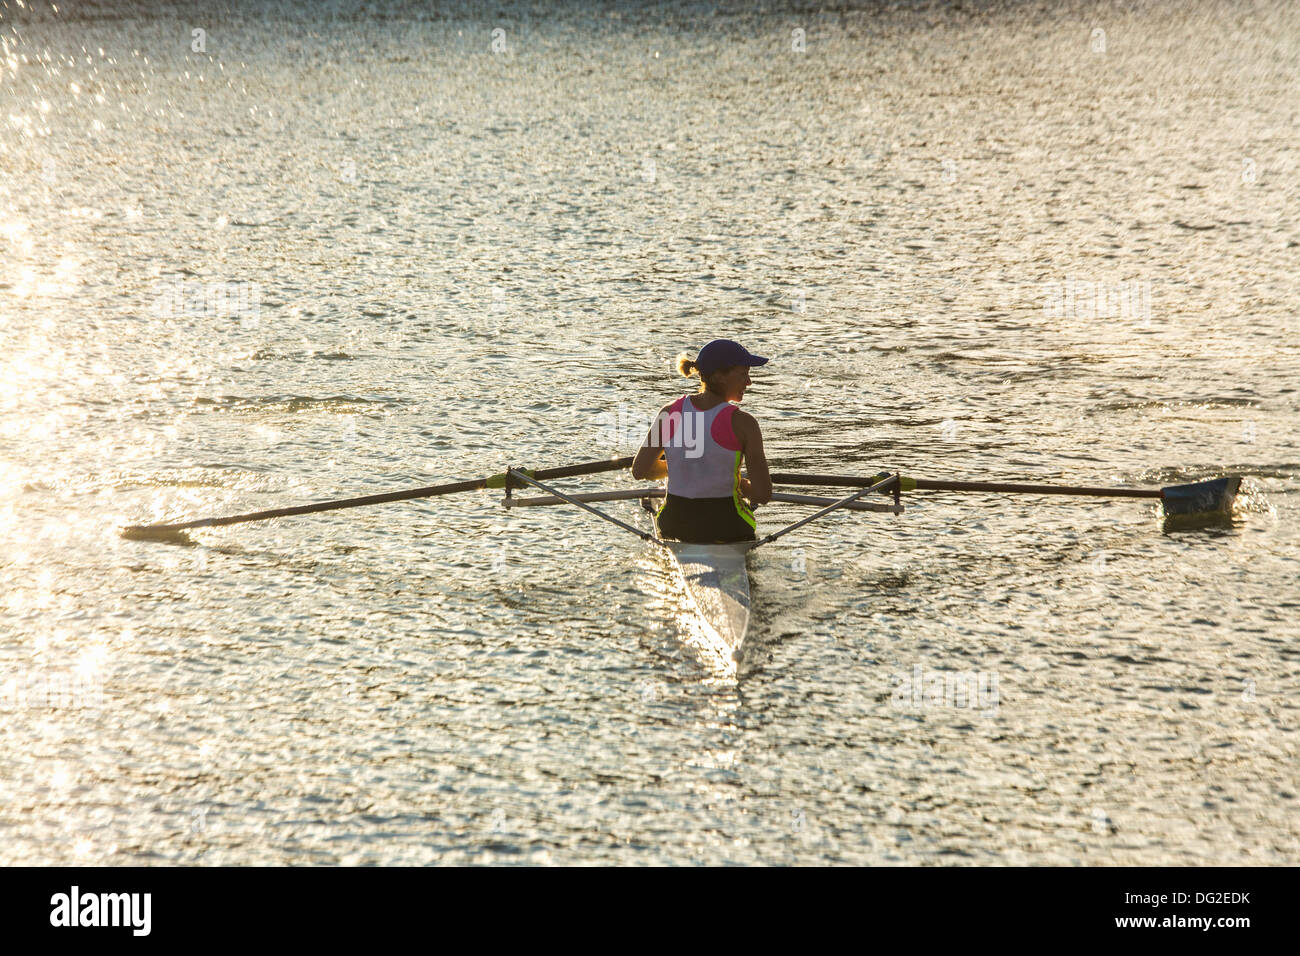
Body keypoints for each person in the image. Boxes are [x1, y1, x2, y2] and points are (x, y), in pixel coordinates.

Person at [632, 339, 772, 543]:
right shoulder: (744, 424)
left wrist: (678, 466)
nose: (749, 382)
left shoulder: (670, 412)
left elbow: (640, 471)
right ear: (719, 377)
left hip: (675, 524)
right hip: (729, 528)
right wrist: (739, 484)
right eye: (743, 374)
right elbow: (762, 495)